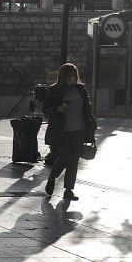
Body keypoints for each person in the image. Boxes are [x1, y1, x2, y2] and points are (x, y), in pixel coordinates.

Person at [42, 62, 96, 201]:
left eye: (74, 75)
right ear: (63, 76)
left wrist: (90, 126)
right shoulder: (54, 90)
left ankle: (68, 190)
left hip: (80, 129)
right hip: (62, 130)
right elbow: (45, 110)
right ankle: (52, 177)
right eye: (70, 75)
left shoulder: (80, 89)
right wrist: (57, 109)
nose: (73, 78)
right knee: (65, 157)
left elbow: (87, 109)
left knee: (74, 161)